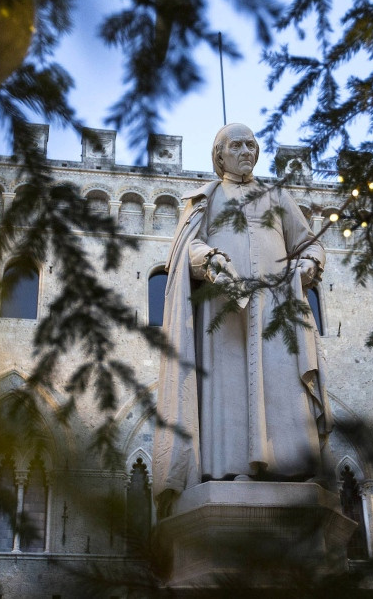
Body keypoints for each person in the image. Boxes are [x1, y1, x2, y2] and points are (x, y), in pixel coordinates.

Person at [152, 123, 332, 516]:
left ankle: (294, 466)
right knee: (228, 388)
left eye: (252, 145)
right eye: (237, 146)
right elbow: (186, 248)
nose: (247, 151)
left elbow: (309, 242)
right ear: (219, 156)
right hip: (224, 312)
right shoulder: (206, 197)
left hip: (278, 305)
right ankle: (230, 468)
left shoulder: (277, 195)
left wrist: (308, 264)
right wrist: (209, 259)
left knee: (283, 382)